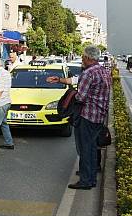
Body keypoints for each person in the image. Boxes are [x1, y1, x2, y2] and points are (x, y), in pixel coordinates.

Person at [47, 45, 110, 190]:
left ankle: (86, 180)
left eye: (82, 57)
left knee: (85, 148)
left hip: (87, 115)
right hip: (99, 115)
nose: (81, 59)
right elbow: (76, 80)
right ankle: (90, 176)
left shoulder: (88, 73)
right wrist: (60, 80)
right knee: (92, 147)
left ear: (88, 58)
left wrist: (71, 97)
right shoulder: (103, 71)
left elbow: (81, 97)